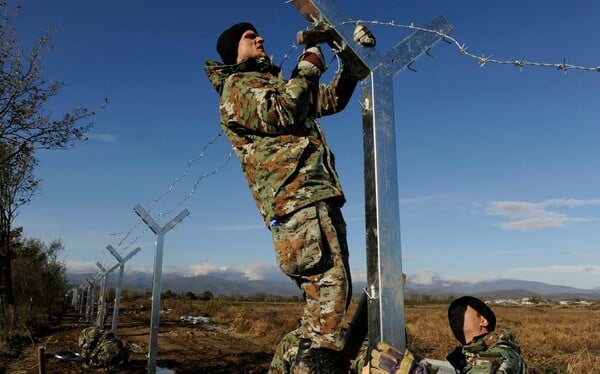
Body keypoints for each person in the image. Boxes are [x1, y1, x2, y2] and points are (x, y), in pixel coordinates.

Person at [205, 22, 373, 373]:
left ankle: (290, 363)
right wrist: (309, 63)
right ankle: (311, 365)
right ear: (234, 51)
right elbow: (283, 110)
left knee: (324, 302)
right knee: (330, 293)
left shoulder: (273, 83)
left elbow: (329, 100)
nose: (261, 38)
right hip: (295, 199)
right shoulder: (237, 87)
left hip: (313, 195)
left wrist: (350, 60)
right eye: (250, 38)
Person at [368, 295, 528, 373]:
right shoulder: (467, 358)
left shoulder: (502, 354)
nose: (454, 315)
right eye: (451, 315)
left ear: (483, 321)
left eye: (462, 310)